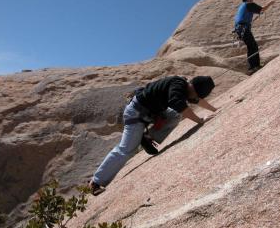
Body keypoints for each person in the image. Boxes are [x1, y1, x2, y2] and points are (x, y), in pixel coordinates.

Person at [88, 75, 217, 195]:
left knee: (175, 115)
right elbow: (177, 102)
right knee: (126, 149)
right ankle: (96, 182)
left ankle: (148, 138)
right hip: (136, 115)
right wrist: (200, 121)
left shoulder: (186, 88)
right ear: (193, 86)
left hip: (149, 113)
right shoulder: (178, 84)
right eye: (196, 93)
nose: (194, 97)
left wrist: (215, 110)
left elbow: (198, 101)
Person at [234, 0, 274, 75]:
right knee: (253, 46)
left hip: (240, 29)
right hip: (244, 29)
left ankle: (253, 67)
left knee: (251, 46)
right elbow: (262, 9)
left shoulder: (243, 6)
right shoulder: (249, 4)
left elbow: (244, 17)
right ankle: (254, 67)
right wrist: (270, 3)